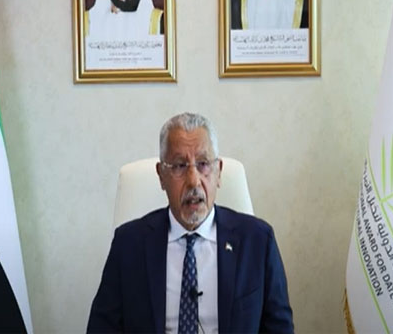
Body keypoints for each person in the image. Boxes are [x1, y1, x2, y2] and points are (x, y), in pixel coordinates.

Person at [87, 112, 293, 333]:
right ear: (161, 176)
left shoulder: (258, 241)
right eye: (179, 166)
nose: (194, 181)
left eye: (203, 164)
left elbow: (279, 329)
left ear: (219, 172)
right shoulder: (128, 244)